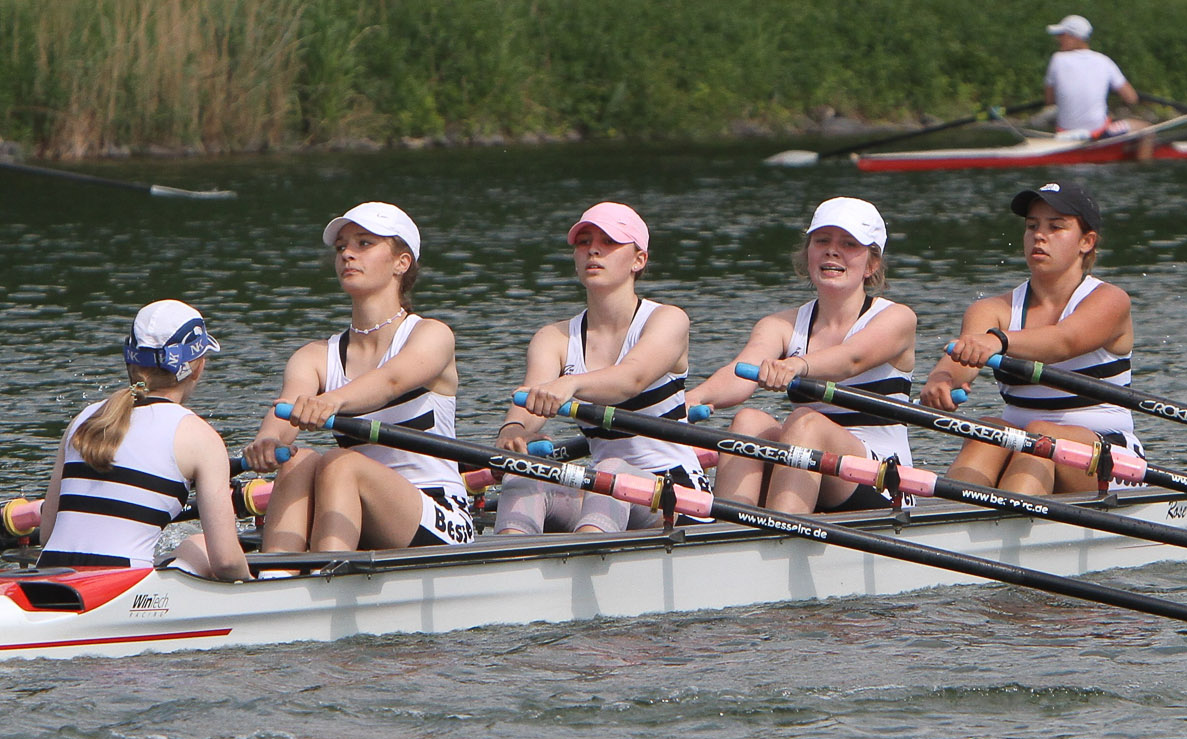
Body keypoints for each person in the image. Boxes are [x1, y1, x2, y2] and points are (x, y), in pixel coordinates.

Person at [246, 202, 477, 552]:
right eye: (342, 248)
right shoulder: (315, 356)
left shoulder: (431, 335)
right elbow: (287, 407)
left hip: (439, 513)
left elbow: (391, 382)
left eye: (364, 244)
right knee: (298, 459)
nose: (347, 255)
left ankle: (326, 575)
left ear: (402, 263)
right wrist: (268, 440)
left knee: (341, 463)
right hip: (358, 509)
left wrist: (330, 402)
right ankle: (277, 576)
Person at [684, 197, 917, 512]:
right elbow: (740, 372)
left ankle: (783, 533)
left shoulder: (897, 318)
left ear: (872, 264)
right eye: (822, 241)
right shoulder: (780, 325)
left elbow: (852, 359)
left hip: (882, 482)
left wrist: (797, 365)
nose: (832, 251)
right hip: (809, 469)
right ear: (808, 253)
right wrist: (691, 400)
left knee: (807, 422)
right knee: (749, 421)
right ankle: (731, 534)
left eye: (848, 244)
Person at [493, 202, 703, 534]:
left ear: (639, 260)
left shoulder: (667, 320)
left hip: (678, 493)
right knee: (523, 473)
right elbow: (533, 400)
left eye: (609, 241)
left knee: (613, 470)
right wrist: (513, 432)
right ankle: (507, 569)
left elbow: (630, 379)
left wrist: (570, 385)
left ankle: (585, 566)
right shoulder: (554, 338)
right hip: (604, 488)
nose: (593, 250)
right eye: (584, 242)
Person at [920, 181, 1139, 495]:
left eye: (1056, 227)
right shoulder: (992, 310)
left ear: (1086, 242)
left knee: (1040, 434)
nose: (1039, 235)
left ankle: (1003, 526)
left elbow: (1063, 342)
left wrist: (999, 341)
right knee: (990, 429)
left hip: (1109, 455)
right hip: (1024, 447)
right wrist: (942, 380)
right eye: (1032, 226)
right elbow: (963, 357)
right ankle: (950, 519)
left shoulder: (1109, 300)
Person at [35, 301, 251, 581]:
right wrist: (253, 587)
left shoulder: (84, 419)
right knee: (197, 545)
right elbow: (225, 561)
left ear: (130, 361)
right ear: (197, 367)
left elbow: (47, 533)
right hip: (121, 590)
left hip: (47, 578)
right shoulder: (199, 436)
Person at [1043, 15, 1145, 143]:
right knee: (1146, 129)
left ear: (1075, 38)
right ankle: (1142, 162)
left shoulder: (1057, 59)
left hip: (1065, 133)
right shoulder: (1104, 61)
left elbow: (1049, 101)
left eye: (1062, 35)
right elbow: (1131, 98)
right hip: (1100, 133)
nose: (1058, 39)